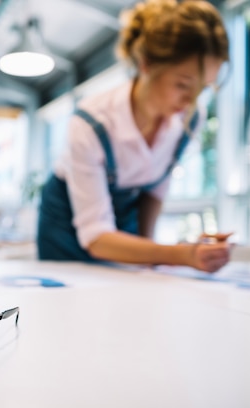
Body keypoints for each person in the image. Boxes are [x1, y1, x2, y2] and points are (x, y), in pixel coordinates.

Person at [37, 0, 232, 273]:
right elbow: (96, 236)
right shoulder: (92, 123)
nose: (191, 101)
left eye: (203, 87)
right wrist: (180, 255)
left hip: (122, 224)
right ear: (146, 64)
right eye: (182, 85)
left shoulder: (189, 118)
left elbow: (154, 191)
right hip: (67, 229)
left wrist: (149, 259)